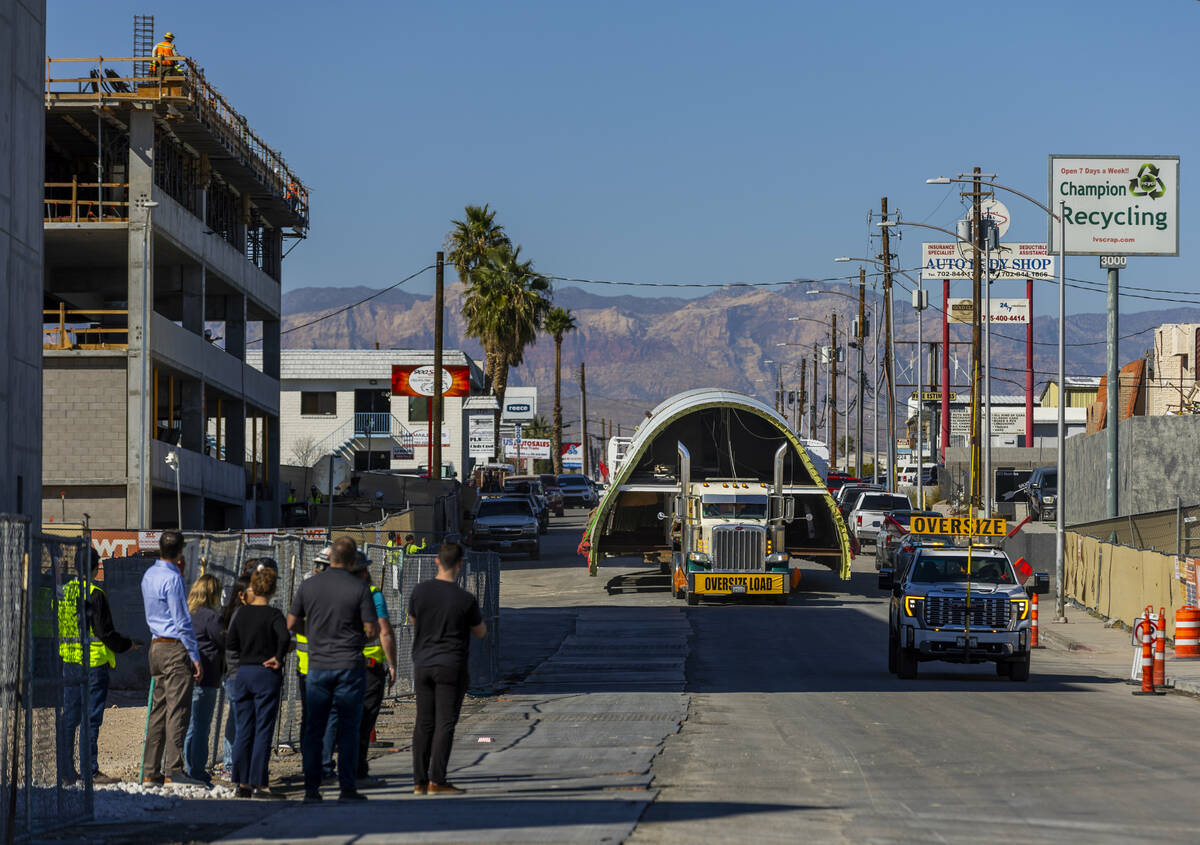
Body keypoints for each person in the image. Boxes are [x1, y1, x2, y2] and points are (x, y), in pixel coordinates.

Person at [288, 537, 378, 804]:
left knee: (314, 729)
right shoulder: (360, 588)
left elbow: (291, 623)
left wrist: (313, 635)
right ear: (352, 560)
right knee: (349, 729)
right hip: (349, 665)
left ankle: (311, 789)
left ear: (330, 558)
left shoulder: (309, 585)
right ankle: (347, 788)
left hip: (318, 665)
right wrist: (357, 639)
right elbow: (372, 630)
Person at [408, 542, 487, 795]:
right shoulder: (464, 599)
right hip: (450, 665)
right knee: (445, 722)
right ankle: (437, 779)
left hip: (422, 663)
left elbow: (412, 619)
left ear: (437, 561)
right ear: (460, 564)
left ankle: (418, 781)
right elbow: (480, 631)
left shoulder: (420, 592)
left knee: (424, 722)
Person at [57, 549, 140, 785]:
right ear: (95, 568)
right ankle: (89, 771)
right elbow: (105, 633)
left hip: (70, 661)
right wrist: (128, 645)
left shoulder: (64, 592)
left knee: (70, 717)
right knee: (91, 719)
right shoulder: (95, 594)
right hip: (93, 663)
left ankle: (66, 772)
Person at [140, 530, 204, 786]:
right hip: (174, 647)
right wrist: (194, 655)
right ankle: (174, 769)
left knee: (158, 709)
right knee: (177, 709)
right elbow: (182, 620)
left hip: (155, 645)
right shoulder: (173, 579)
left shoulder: (148, 575)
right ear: (180, 552)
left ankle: (150, 770)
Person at [227, 568, 290, 798]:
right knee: (263, 728)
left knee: (244, 728)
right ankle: (260, 783)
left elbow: (231, 642)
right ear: (272, 589)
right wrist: (278, 657)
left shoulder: (241, 614)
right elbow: (284, 636)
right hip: (265, 673)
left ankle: (241, 782)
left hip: (243, 673)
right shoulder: (274, 615)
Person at [353, 559, 396, 786]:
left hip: (338, 664)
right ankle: (357, 771)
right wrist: (392, 665)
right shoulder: (372, 594)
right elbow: (385, 633)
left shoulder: (334, 592)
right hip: (369, 666)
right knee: (364, 720)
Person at [183, 574, 224, 784]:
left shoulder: (188, 614)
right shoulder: (211, 617)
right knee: (201, 725)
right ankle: (197, 769)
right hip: (206, 675)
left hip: (186, 674)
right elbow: (223, 641)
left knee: (191, 725)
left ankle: (189, 766)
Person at [217, 574, 251, 781]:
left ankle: (233, 763)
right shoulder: (238, 615)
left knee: (236, 717)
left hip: (234, 672)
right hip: (235, 672)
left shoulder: (233, 613)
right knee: (238, 718)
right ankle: (231, 764)